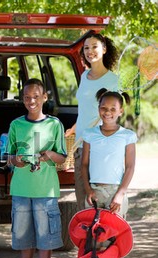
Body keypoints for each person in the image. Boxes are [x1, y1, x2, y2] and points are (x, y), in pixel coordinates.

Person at [3, 78, 67, 258]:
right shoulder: (15, 125)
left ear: (45, 98)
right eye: (27, 97)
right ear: (22, 99)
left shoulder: (54, 124)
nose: (32, 101)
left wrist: (49, 154)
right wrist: (15, 160)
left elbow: (61, 158)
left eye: (36, 97)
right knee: (23, 237)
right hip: (21, 189)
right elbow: (9, 156)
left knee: (45, 237)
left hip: (45, 190)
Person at [81, 88, 137, 258]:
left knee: (113, 240)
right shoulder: (90, 134)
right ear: (98, 109)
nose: (108, 112)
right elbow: (84, 164)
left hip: (115, 193)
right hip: (95, 192)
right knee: (94, 239)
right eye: (104, 108)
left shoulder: (127, 136)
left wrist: (120, 194)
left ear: (120, 111)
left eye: (113, 109)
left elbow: (130, 167)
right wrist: (88, 189)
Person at [65, 34, 119, 211]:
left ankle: (102, 239)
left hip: (100, 148)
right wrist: (73, 129)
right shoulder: (84, 76)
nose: (90, 51)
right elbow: (85, 110)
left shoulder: (113, 81)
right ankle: (87, 240)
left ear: (104, 49)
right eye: (86, 48)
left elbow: (112, 117)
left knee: (101, 203)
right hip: (81, 146)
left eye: (94, 47)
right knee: (84, 203)